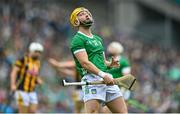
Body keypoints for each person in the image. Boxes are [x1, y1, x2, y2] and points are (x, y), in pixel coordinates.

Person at [69, 7, 127, 113]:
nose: (87, 15)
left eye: (88, 13)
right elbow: (85, 63)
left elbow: (102, 61)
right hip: (92, 79)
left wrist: (110, 64)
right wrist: (103, 75)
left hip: (105, 77)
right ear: (76, 21)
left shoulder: (97, 39)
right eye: (82, 14)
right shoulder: (77, 40)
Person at [10, 42, 44, 113]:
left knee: (33, 111)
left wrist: (38, 80)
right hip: (21, 90)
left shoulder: (38, 62)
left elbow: (35, 76)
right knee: (23, 112)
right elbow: (14, 72)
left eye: (39, 52)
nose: (38, 54)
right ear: (31, 51)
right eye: (36, 52)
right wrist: (13, 84)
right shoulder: (23, 60)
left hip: (32, 91)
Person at [101, 41, 132, 112]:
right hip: (110, 88)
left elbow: (127, 77)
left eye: (111, 47)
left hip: (121, 89)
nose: (109, 49)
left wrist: (123, 90)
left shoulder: (124, 62)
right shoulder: (108, 61)